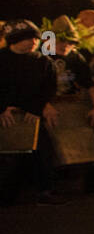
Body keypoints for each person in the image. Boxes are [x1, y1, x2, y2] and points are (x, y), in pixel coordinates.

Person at [0, 20, 65, 205]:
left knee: (42, 151)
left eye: (35, 38)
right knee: (9, 156)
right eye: (27, 39)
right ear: (14, 40)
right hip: (6, 115)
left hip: (31, 114)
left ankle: (45, 191)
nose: (33, 42)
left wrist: (36, 108)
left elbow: (48, 88)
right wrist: (2, 108)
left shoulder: (42, 61)